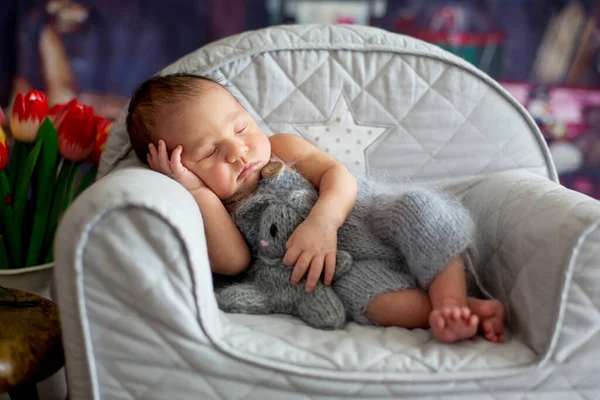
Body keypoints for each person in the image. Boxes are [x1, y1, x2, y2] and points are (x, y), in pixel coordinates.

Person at [126, 73, 505, 343]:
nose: (237, 152)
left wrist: (323, 222)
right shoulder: (217, 208)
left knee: (418, 208)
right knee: (370, 300)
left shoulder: (281, 148)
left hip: (366, 217)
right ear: (181, 169)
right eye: (210, 152)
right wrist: (197, 192)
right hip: (331, 272)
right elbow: (233, 262)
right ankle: (457, 313)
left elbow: (337, 175)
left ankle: (449, 296)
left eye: (240, 128)